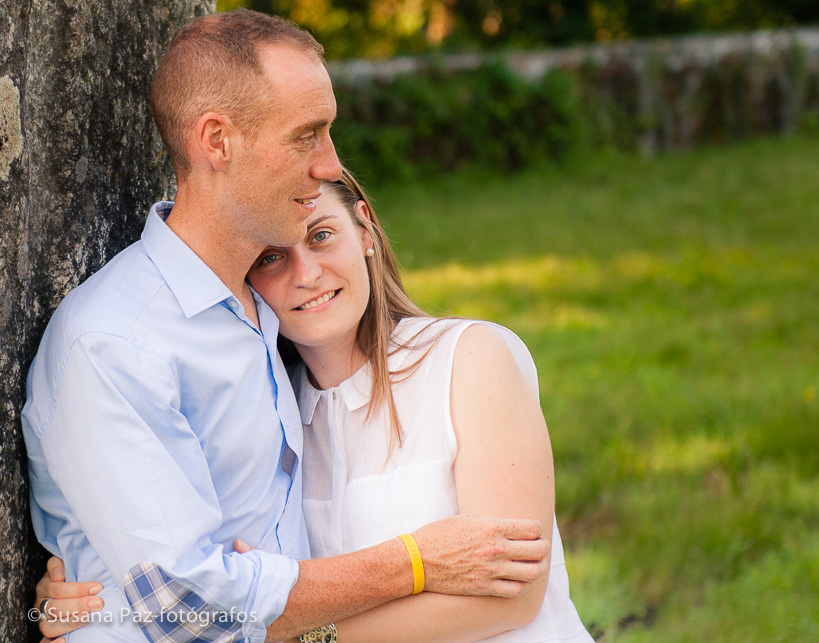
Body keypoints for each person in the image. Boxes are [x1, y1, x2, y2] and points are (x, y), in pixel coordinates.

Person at [23, 10, 550, 643]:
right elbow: (187, 605)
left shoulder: (271, 324)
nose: (330, 163)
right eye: (306, 136)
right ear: (217, 141)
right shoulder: (114, 342)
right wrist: (414, 560)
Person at [38, 168, 594, 642]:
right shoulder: (270, 414)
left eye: (322, 236)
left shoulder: (468, 358)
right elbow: (200, 580)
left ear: (365, 228)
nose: (306, 275)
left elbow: (514, 595)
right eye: (272, 258)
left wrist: (295, 632)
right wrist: (103, 601)